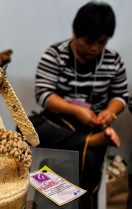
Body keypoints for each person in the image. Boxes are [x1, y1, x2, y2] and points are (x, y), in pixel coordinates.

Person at [32, 1, 129, 208]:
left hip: (93, 122)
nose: (95, 48)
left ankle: (73, 202)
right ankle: (92, 141)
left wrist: (109, 113)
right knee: (28, 129)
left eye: (101, 42)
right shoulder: (55, 55)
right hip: (59, 122)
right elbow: (44, 94)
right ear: (75, 33)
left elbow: (121, 96)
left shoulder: (112, 60)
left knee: (91, 160)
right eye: (89, 41)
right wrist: (75, 110)